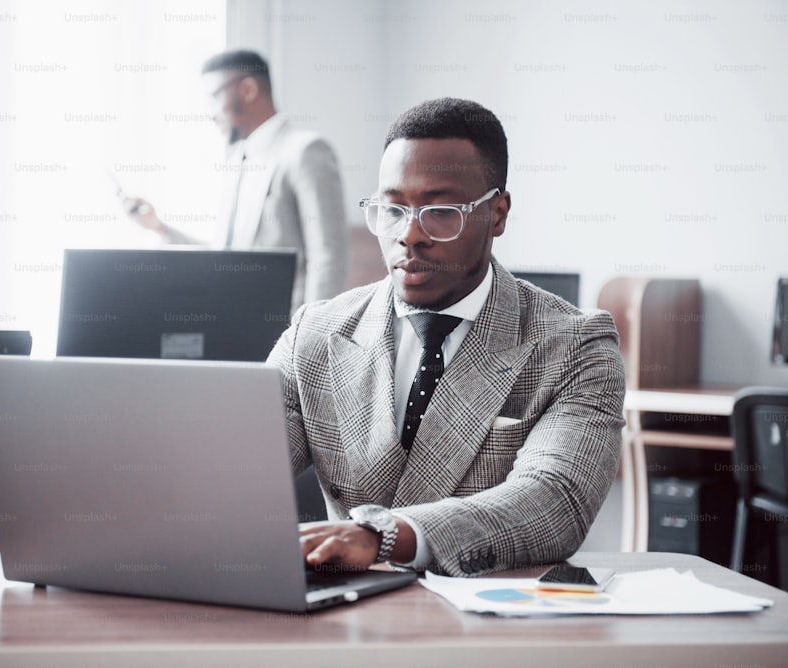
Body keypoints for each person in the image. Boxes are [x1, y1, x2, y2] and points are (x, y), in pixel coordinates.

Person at [267, 97, 626, 577]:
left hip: (489, 631)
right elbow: (237, 470)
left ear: (497, 214)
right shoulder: (314, 334)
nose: (409, 234)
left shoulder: (576, 346)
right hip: (345, 621)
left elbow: (554, 500)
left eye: (440, 211)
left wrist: (385, 536)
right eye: (392, 208)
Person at [124, 50, 350, 311]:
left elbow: (328, 257)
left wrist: (312, 338)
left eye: (214, 97)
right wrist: (160, 228)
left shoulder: (305, 151)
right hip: (234, 327)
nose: (210, 112)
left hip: (289, 334)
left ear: (248, 89)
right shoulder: (235, 162)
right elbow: (224, 258)